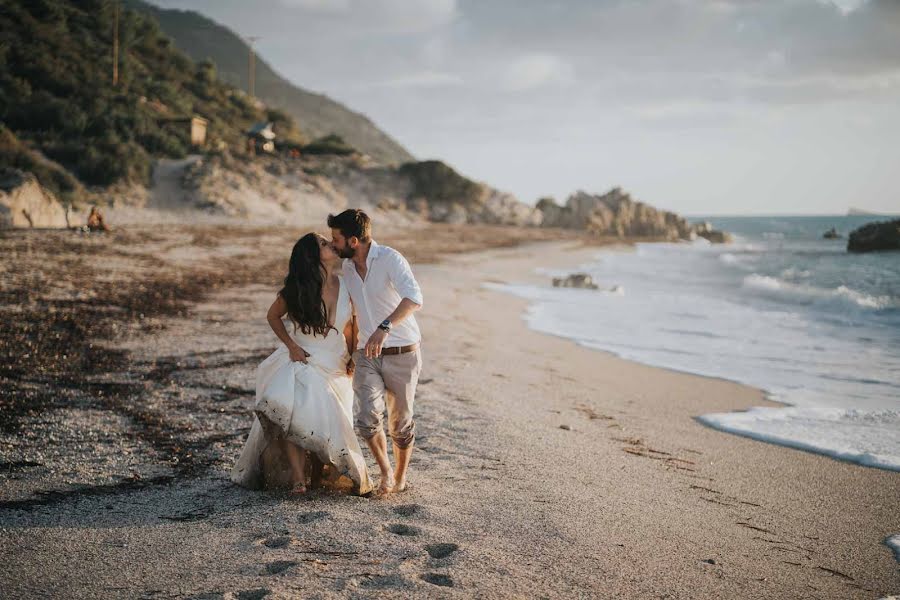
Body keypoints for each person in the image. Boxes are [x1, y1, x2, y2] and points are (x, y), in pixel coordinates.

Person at [231, 233, 372, 496]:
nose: (329, 243)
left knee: (326, 420)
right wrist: (292, 346)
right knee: (291, 413)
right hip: (302, 357)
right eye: (322, 243)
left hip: (336, 363)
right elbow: (273, 316)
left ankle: (317, 476)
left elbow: (351, 328)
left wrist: (353, 357)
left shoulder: (346, 285)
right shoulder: (297, 288)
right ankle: (298, 478)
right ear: (311, 255)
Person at [329, 209, 424, 495]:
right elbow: (354, 314)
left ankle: (400, 476)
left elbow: (414, 298)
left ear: (354, 241)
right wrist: (351, 351)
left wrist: (384, 328)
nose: (334, 244)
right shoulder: (347, 269)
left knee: (401, 423)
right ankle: (384, 472)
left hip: (403, 352)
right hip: (366, 355)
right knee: (367, 418)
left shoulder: (390, 259)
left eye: (337, 238)